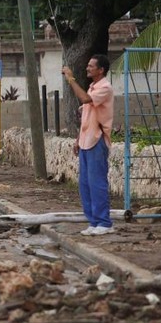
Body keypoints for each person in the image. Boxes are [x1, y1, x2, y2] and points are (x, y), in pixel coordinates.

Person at [62, 55, 115, 236]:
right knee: (85, 184)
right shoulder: (93, 87)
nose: (87, 68)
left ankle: (104, 222)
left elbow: (85, 99)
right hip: (86, 141)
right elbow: (86, 118)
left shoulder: (104, 88)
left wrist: (70, 78)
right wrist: (78, 140)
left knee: (97, 182)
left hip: (97, 140)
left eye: (91, 66)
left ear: (100, 70)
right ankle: (93, 221)